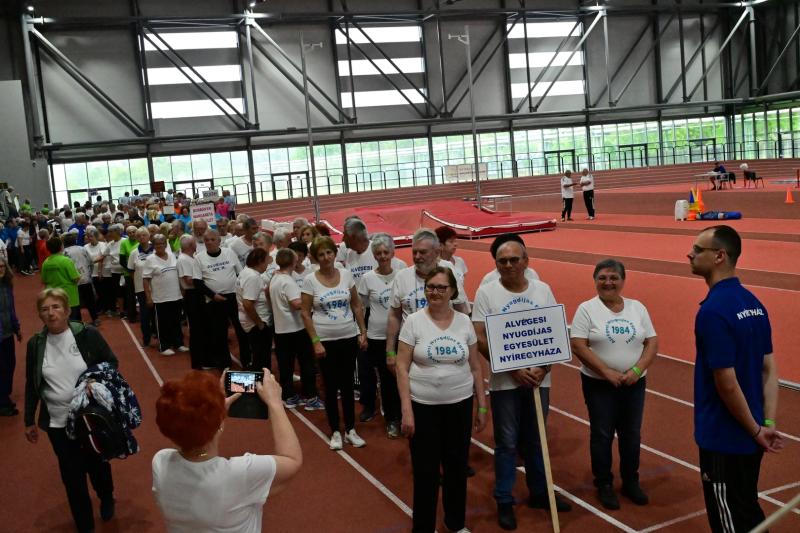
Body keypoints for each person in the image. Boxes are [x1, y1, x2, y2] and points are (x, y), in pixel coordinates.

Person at [688, 225, 783, 532]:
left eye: (698, 249)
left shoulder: (713, 312)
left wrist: (755, 430)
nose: (690, 254)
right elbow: (769, 369)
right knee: (746, 508)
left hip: (724, 438)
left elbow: (726, 383)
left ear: (720, 256)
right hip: (751, 435)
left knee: (729, 520)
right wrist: (766, 424)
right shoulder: (754, 304)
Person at [472, 240, 571, 530]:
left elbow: (554, 331)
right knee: (506, 443)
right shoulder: (486, 293)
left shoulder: (543, 290)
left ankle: (540, 493)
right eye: (502, 261)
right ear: (496, 264)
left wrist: (544, 367)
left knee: (537, 439)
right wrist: (512, 368)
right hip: (505, 383)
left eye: (514, 259)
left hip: (540, 379)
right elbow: (479, 337)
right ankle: (505, 499)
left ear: (526, 261)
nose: (509, 265)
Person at [396, 266, 487, 533]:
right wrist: (406, 410)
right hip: (423, 408)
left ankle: (455, 523)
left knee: (456, 468)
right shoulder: (413, 321)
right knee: (425, 472)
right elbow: (401, 366)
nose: (434, 292)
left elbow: (475, 367)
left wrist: (482, 406)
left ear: (453, 291)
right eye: (430, 287)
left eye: (441, 287)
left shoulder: (464, 322)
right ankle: (423, 527)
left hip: (459, 406)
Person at [152, 369, 302, 531]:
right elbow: (292, 459)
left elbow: (191, 440)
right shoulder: (240, 474)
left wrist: (214, 413)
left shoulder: (160, 462)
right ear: (218, 425)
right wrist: (275, 403)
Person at [24, 288, 118, 533]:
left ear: (67, 310)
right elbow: (32, 383)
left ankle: (106, 496)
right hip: (58, 424)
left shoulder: (87, 335)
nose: (51, 313)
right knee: (72, 477)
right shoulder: (35, 344)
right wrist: (28, 420)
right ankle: (84, 525)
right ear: (40, 315)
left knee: (97, 465)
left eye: (56, 307)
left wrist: (95, 381)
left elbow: (111, 363)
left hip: (89, 419)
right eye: (45, 309)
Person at [570, 258, 658, 510]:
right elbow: (578, 345)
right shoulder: (587, 309)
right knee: (602, 434)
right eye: (602, 278)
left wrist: (637, 370)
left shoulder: (637, 308)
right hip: (599, 385)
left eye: (613, 278)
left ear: (623, 281)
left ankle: (631, 481)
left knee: (631, 434)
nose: (608, 282)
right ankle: (604, 484)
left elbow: (652, 342)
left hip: (634, 384)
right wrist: (606, 371)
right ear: (595, 281)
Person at [301, 236, 368, 450]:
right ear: (315, 257)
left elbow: (356, 305)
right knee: (330, 387)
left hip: (348, 337)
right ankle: (335, 432)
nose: (326, 257)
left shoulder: (346, 275)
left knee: (347, 386)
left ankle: (350, 429)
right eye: (321, 254)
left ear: (334, 253)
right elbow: (305, 313)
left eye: (329, 252)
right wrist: (316, 341)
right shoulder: (310, 280)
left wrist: (362, 331)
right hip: (325, 341)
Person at [385, 228, 469, 364]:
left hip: (445, 347)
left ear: (436, 252)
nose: (417, 256)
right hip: (410, 349)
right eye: (414, 252)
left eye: (423, 252)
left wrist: (468, 343)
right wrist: (390, 351)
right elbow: (394, 315)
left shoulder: (449, 271)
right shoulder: (401, 277)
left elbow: (462, 309)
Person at [357, 233, 403, 438]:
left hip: (401, 336)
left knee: (401, 378)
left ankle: (404, 415)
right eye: (379, 253)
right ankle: (389, 418)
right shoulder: (367, 278)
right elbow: (360, 307)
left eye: (386, 252)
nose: (383, 256)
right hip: (376, 336)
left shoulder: (402, 275)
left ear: (392, 253)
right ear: (374, 255)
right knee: (383, 379)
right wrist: (362, 332)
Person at [270, 248, 323, 411]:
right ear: (293, 262)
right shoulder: (288, 281)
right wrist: (314, 301)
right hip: (296, 329)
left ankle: (289, 396)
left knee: (285, 365)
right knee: (307, 363)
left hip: (281, 330)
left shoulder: (275, 278)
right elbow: (296, 304)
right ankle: (311, 397)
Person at [196, 230, 249, 369]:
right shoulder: (199, 258)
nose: (209, 242)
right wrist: (213, 295)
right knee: (219, 333)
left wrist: (241, 293)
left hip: (234, 297)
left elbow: (240, 273)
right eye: (206, 240)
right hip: (214, 300)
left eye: (212, 239)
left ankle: (247, 360)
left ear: (219, 241)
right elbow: (197, 282)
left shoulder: (229, 253)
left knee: (241, 330)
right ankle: (224, 363)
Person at [143, 234, 187, 356]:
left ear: (166, 244)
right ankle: (164, 346)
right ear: (153, 245)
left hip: (176, 295)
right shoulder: (150, 259)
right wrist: (148, 297)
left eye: (162, 243)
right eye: (157, 244)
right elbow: (145, 280)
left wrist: (182, 290)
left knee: (176, 321)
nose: (160, 246)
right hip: (160, 298)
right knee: (163, 323)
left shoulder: (173, 256)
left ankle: (178, 343)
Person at [236, 247, 273, 371]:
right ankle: (261, 381)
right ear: (260, 261)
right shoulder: (253, 277)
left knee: (259, 356)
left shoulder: (246, 272)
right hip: (256, 323)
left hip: (251, 321)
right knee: (262, 359)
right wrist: (260, 324)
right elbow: (247, 303)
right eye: (266, 260)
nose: (268, 264)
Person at [176, 235, 206, 368]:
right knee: (196, 329)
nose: (196, 244)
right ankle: (198, 361)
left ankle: (202, 357)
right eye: (194, 243)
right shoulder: (183, 259)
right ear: (190, 245)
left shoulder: (190, 258)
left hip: (196, 294)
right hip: (192, 295)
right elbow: (189, 280)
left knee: (201, 328)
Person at [0, 257, 22, 416]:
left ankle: (4, 395)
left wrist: (17, 328)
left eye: (2, 266)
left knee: (10, 364)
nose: (0, 269)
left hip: (8, 333)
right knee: (2, 368)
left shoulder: (7, 285)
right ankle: (2, 402)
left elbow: (11, 309)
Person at [127, 227, 155, 347]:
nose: (142, 237)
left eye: (144, 235)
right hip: (141, 289)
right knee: (144, 316)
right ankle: (146, 340)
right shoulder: (134, 253)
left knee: (157, 315)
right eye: (139, 236)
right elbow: (131, 271)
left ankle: (160, 337)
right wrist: (137, 283)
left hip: (158, 287)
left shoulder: (156, 249)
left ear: (149, 236)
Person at [63, 232, 99, 325]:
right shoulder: (82, 249)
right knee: (90, 300)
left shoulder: (65, 252)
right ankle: (95, 319)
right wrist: (89, 274)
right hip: (86, 278)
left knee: (76, 302)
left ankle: (78, 322)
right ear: (75, 241)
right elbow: (91, 262)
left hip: (74, 281)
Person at [40, 237, 81, 318]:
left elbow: (44, 280)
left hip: (53, 296)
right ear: (61, 246)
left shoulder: (46, 262)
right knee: (73, 320)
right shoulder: (66, 260)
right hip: (69, 296)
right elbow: (76, 278)